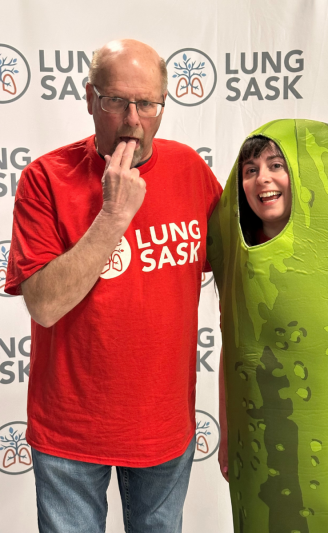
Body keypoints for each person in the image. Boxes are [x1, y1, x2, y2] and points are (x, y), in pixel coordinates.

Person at [5, 38, 221, 533]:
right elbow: (44, 305)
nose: (132, 120)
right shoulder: (44, 179)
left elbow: (241, 266)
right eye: (116, 101)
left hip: (163, 427)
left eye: (147, 104)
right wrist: (113, 215)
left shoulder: (190, 169)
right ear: (89, 98)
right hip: (70, 433)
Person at [207, 119, 328, 533]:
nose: (263, 179)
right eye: (250, 170)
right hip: (258, 457)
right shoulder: (239, 254)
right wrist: (229, 433)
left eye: (277, 165)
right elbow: (235, 347)